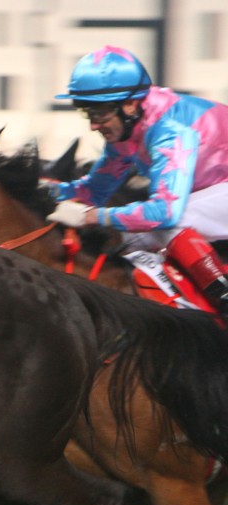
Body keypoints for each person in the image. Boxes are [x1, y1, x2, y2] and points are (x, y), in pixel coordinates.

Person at [46, 46, 228, 315]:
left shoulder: (170, 130)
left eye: (99, 114)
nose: (93, 126)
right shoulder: (127, 130)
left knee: (169, 224)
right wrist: (43, 190)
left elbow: (163, 213)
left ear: (130, 104)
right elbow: (93, 191)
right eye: (88, 113)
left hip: (196, 200)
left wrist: (91, 217)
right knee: (129, 240)